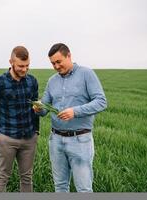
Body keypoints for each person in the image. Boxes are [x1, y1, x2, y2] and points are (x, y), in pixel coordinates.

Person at [34, 43, 107, 192]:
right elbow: (44, 108)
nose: (55, 66)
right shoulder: (52, 81)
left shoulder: (87, 74)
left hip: (80, 140)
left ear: (69, 56)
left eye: (58, 62)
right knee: (60, 186)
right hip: (56, 141)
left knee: (84, 189)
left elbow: (101, 102)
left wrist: (75, 111)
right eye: (53, 63)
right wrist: (38, 108)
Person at [0, 46, 39, 192]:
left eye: (27, 65)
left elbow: (36, 108)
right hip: (7, 138)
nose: (24, 69)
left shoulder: (32, 81)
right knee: (3, 176)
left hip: (29, 138)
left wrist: (37, 131)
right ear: (11, 62)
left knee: (27, 177)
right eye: (21, 66)